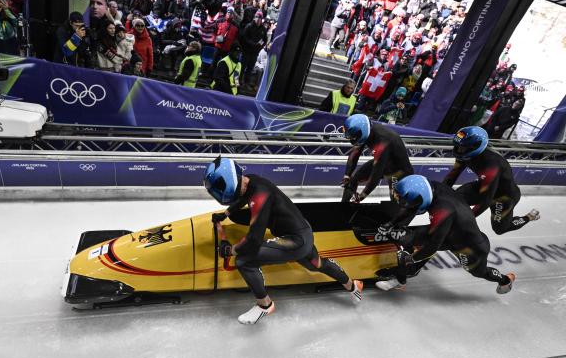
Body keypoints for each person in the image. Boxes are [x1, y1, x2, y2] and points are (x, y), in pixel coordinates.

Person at [204, 157, 363, 324]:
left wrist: (229, 250)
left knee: (244, 260)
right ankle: (353, 286)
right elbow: (243, 197)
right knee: (316, 264)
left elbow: (253, 241)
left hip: (295, 240)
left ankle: (265, 305)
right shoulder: (250, 180)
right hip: (303, 232)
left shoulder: (260, 195)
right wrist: (226, 214)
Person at [375, 175, 517, 294]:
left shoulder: (443, 210)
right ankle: (401, 279)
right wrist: (391, 224)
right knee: (407, 239)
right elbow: (412, 205)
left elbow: (432, 246)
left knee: (479, 272)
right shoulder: (432, 187)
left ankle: (505, 280)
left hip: (468, 247)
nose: (406, 205)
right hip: (450, 230)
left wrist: (410, 260)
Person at [442, 126, 540, 235]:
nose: (459, 150)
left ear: (475, 147)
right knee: (454, 197)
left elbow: (486, 201)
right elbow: (453, 175)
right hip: (486, 186)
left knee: (500, 229)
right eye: (458, 146)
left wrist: (462, 220)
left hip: (503, 197)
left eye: (462, 148)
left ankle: (529, 217)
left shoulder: (492, 164)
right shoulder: (465, 153)